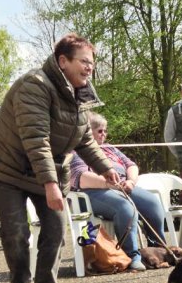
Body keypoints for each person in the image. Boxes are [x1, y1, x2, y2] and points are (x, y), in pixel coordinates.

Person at [0, 33, 119, 283]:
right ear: (63, 61)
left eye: (92, 63)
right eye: (84, 62)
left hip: (49, 172)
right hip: (8, 168)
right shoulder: (35, 85)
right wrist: (51, 184)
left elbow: (84, 139)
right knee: (17, 233)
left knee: (55, 233)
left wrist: (105, 167)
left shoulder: (80, 94)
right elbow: (36, 140)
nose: (89, 68)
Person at [70, 111, 167, 271]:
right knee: (125, 207)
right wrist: (109, 184)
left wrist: (130, 181)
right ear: (87, 132)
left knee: (152, 203)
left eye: (105, 131)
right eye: (100, 131)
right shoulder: (76, 150)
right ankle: (131, 257)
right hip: (92, 191)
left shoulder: (109, 149)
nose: (104, 134)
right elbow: (81, 177)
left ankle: (157, 251)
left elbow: (131, 165)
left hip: (122, 185)